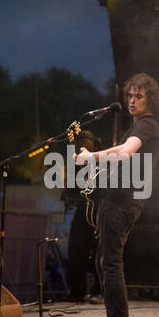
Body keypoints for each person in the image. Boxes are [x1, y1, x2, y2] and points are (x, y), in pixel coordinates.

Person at [74, 73, 159, 317]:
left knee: (110, 264)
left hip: (122, 204)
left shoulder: (147, 126)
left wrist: (92, 157)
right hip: (117, 200)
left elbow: (126, 152)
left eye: (139, 95)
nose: (132, 100)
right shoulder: (139, 126)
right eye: (129, 95)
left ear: (151, 99)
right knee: (105, 264)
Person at [62, 130, 103, 303]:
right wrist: (68, 195)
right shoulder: (75, 162)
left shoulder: (100, 160)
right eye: (80, 143)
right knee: (76, 249)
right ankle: (78, 291)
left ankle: (99, 291)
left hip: (99, 209)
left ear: (94, 144)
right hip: (83, 209)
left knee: (100, 252)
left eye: (86, 142)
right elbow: (70, 192)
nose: (82, 146)